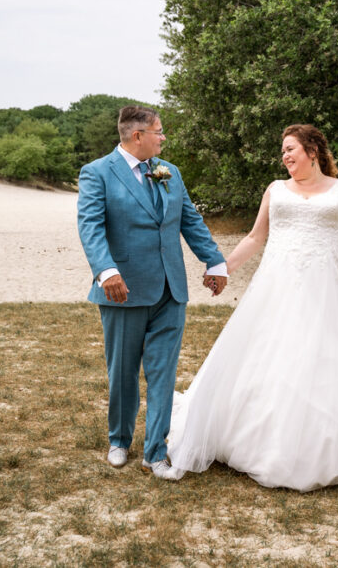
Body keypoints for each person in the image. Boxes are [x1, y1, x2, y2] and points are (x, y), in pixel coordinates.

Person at [166, 124, 338, 492]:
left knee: (324, 356)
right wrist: (222, 268)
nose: (285, 156)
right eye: (282, 151)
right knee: (269, 349)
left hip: (325, 288)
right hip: (276, 286)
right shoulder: (276, 190)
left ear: (313, 150)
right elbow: (255, 237)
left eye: (291, 148)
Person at [77, 105, 228, 480]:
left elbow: (190, 220)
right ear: (137, 136)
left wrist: (215, 262)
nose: (164, 138)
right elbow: (90, 226)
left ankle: (156, 453)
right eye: (159, 132)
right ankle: (119, 440)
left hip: (170, 290)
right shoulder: (97, 172)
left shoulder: (169, 172)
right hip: (122, 291)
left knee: (162, 373)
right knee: (123, 372)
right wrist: (106, 270)